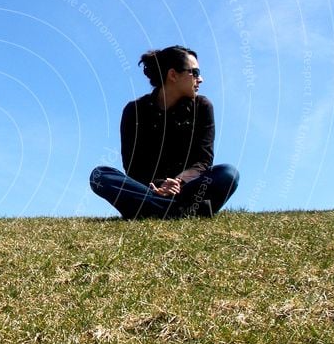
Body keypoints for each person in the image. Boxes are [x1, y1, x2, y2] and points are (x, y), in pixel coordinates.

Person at [90, 45, 239, 219]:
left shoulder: (202, 107)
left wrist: (179, 182)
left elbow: (203, 160)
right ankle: (182, 211)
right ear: (173, 75)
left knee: (228, 173)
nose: (201, 79)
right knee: (99, 175)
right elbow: (132, 164)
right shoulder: (134, 111)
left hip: (187, 189)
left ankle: (151, 211)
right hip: (148, 189)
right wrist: (159, 186)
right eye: (195, 73)